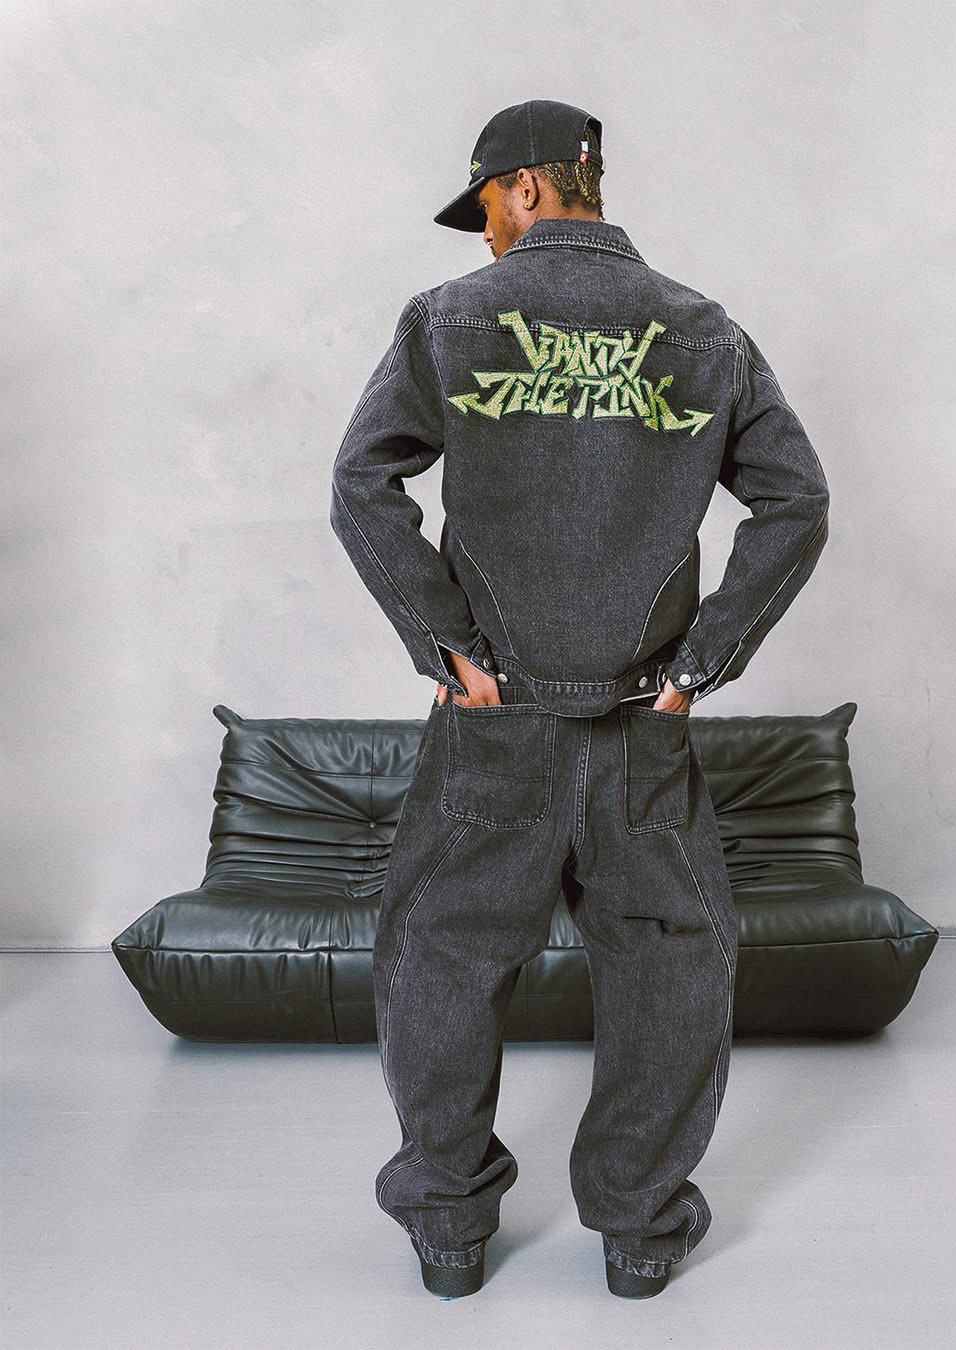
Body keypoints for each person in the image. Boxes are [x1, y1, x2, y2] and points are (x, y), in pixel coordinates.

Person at [330, 99, 830, 1300]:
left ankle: (449, 1233)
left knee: (443, 961)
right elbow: (797, 501)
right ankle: (641, 1234)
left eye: (487, 208)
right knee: (668, 968)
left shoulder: (448, 319)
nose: (486, 236)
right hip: (639, 724)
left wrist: (449, 649)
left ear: (530, 187)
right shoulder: (702, 330)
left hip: (493, 722)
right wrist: (698, 666)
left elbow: (362, 482)